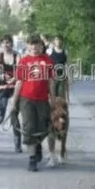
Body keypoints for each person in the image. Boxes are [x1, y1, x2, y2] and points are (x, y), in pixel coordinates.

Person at [11, 34, 55, 172]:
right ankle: (32, 159)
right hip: (26, 99)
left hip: (42, 100)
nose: (34, 47)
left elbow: (51, 81)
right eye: (32, 44)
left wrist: (53, 99)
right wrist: (14, 101)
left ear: (41, 46)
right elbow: (19, 82)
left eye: (37, 45)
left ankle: (37, 145)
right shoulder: (24, 61)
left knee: (43, 127)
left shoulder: (47, 61)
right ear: (28, 46)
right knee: (29, 128)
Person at [0, 34, 22, 153]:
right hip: (2, 87)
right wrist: (3, 76)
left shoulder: (17, 55)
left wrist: (14, 79)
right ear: (1, 44)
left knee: (14, 114)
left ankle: (17, 143)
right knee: (0, 116)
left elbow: (20, 69)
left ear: (12, 44)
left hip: (15, 87)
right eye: (3, 43)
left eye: (8, 42)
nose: (6, 45)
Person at [47, 34, 70, 103]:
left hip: (62, 75)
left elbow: (68, 64)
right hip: (52, 76)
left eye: (60, 40)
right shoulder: (49, 51)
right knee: (53, 93)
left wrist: (69, 76)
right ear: (54, 41)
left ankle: (61, 109)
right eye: (56, 40)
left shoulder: (65, 51)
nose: (58, 41)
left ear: (62, 41)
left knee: (61, 93)